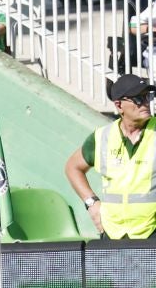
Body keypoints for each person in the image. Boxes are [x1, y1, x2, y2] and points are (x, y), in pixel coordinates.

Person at [65, 73, 156, 240]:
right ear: (119, 105)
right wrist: (92, 204)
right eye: (138, 98)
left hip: (151, 232)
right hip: (112, 233)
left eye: (147, 96)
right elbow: (73, 167)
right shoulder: (102, 137)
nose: (145, 103)